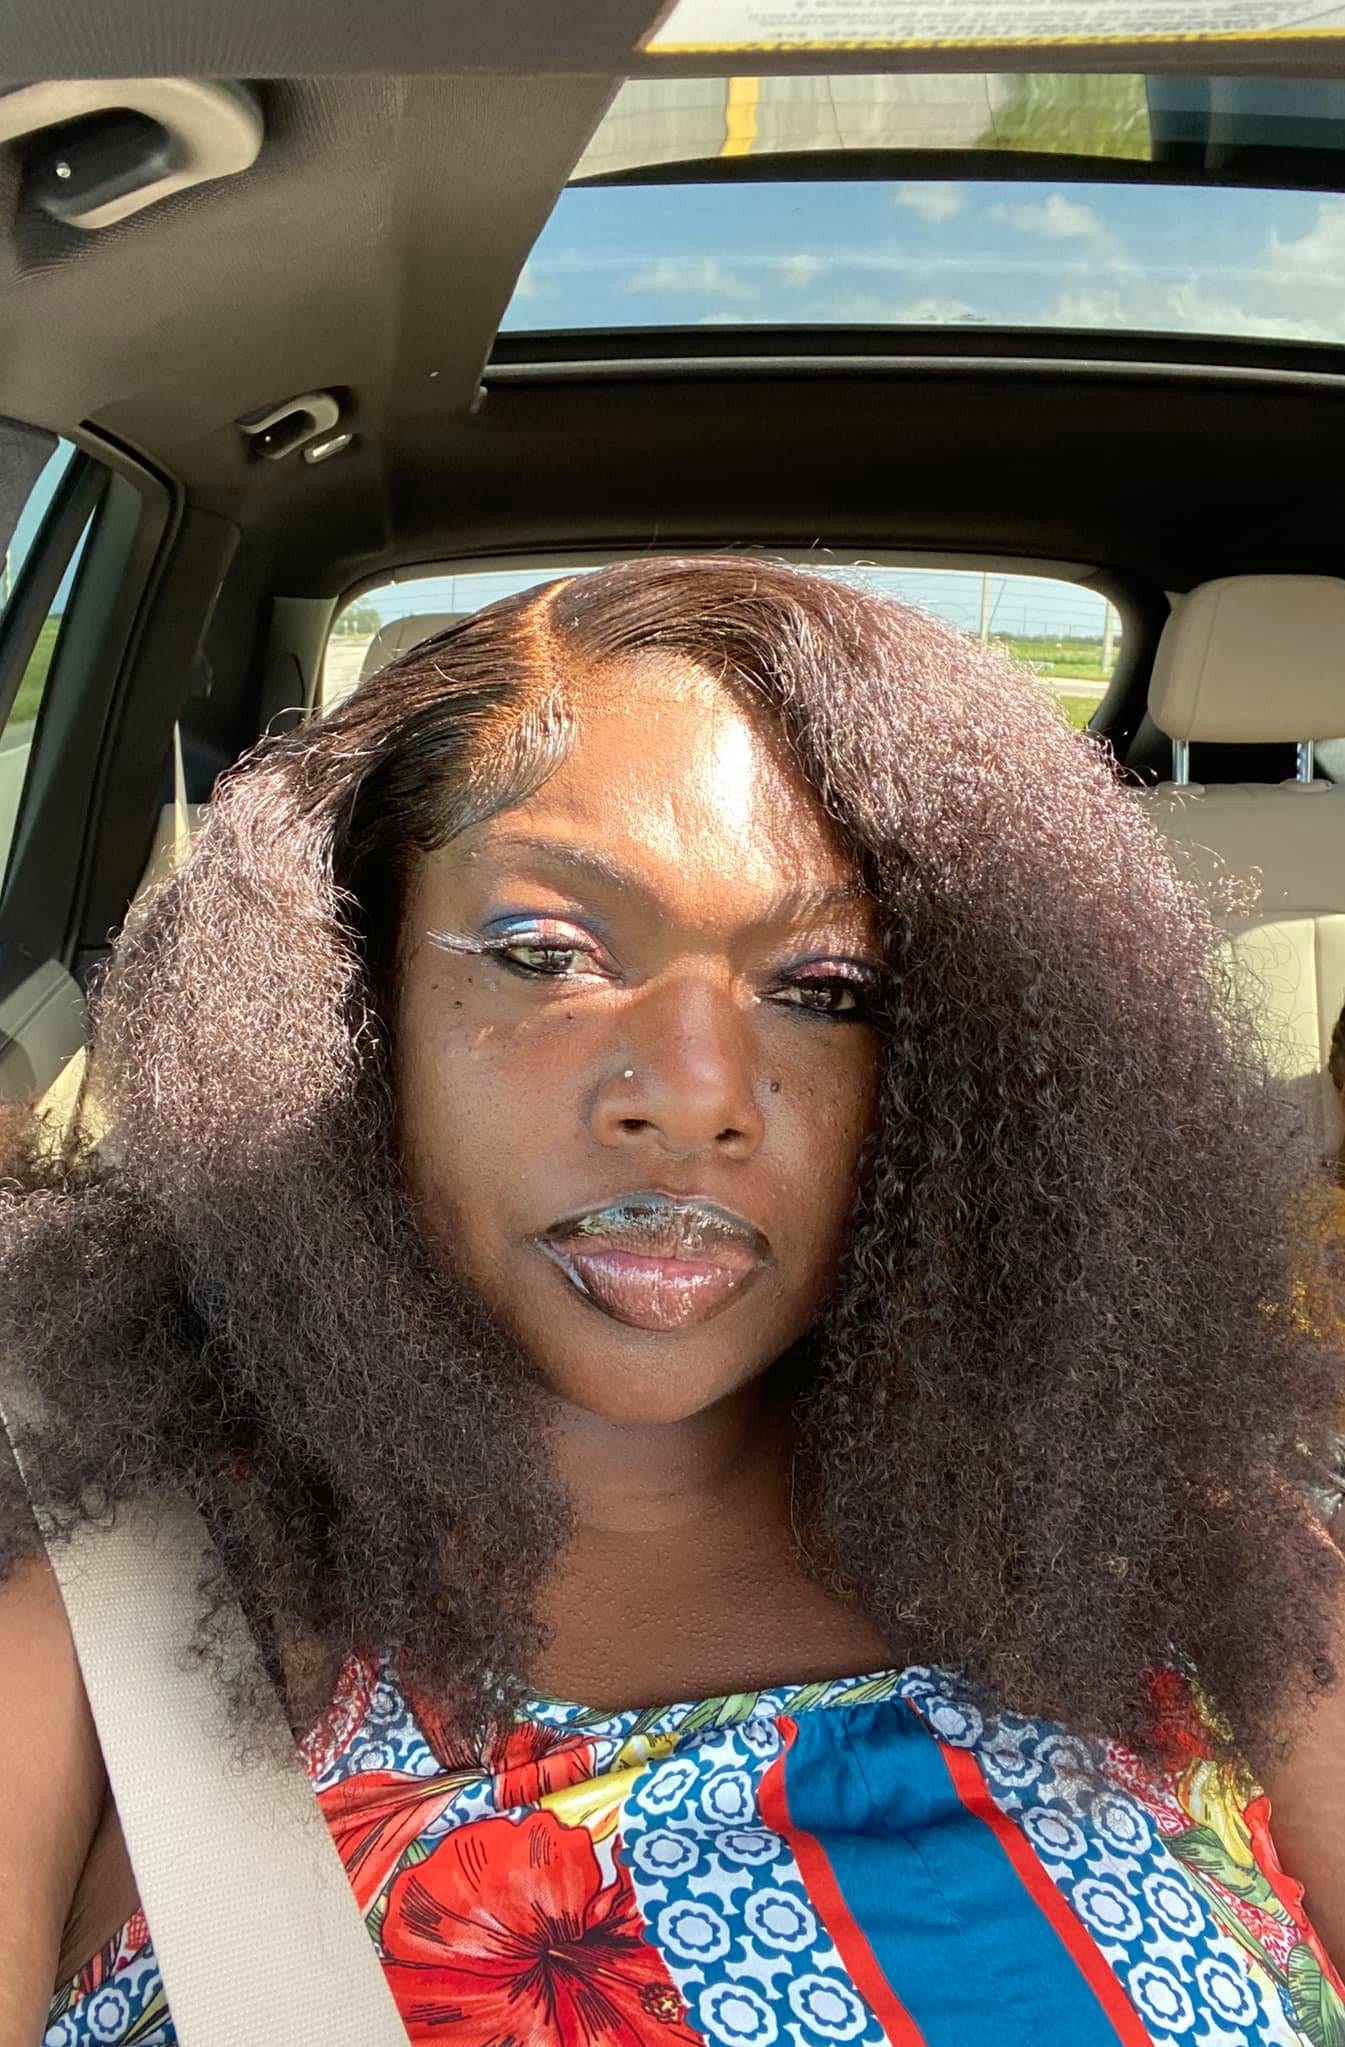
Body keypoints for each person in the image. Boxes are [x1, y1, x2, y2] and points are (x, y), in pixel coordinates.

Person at [2, 557, 1343, 2047]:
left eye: (829, 989)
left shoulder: (1180, 1533)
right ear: (348, 1000)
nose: (696, 1096)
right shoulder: (105, 1568)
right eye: (544, 955)